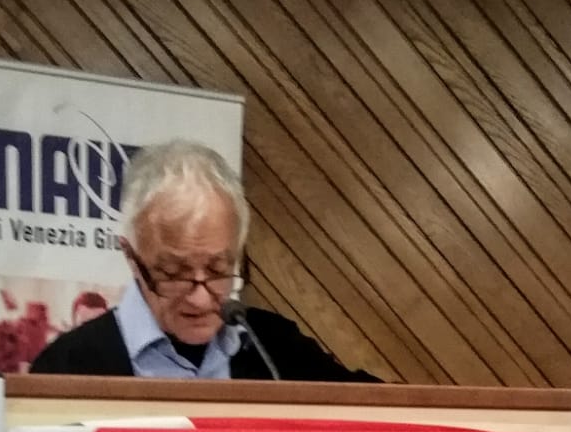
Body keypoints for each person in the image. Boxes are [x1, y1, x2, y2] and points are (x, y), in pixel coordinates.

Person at [29, 140, 379, 382]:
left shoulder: (273, 348)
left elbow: (378, 416)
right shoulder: (69, 367)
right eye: (174, 273)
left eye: (218, 270)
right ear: (132, 258)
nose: (200, 298)